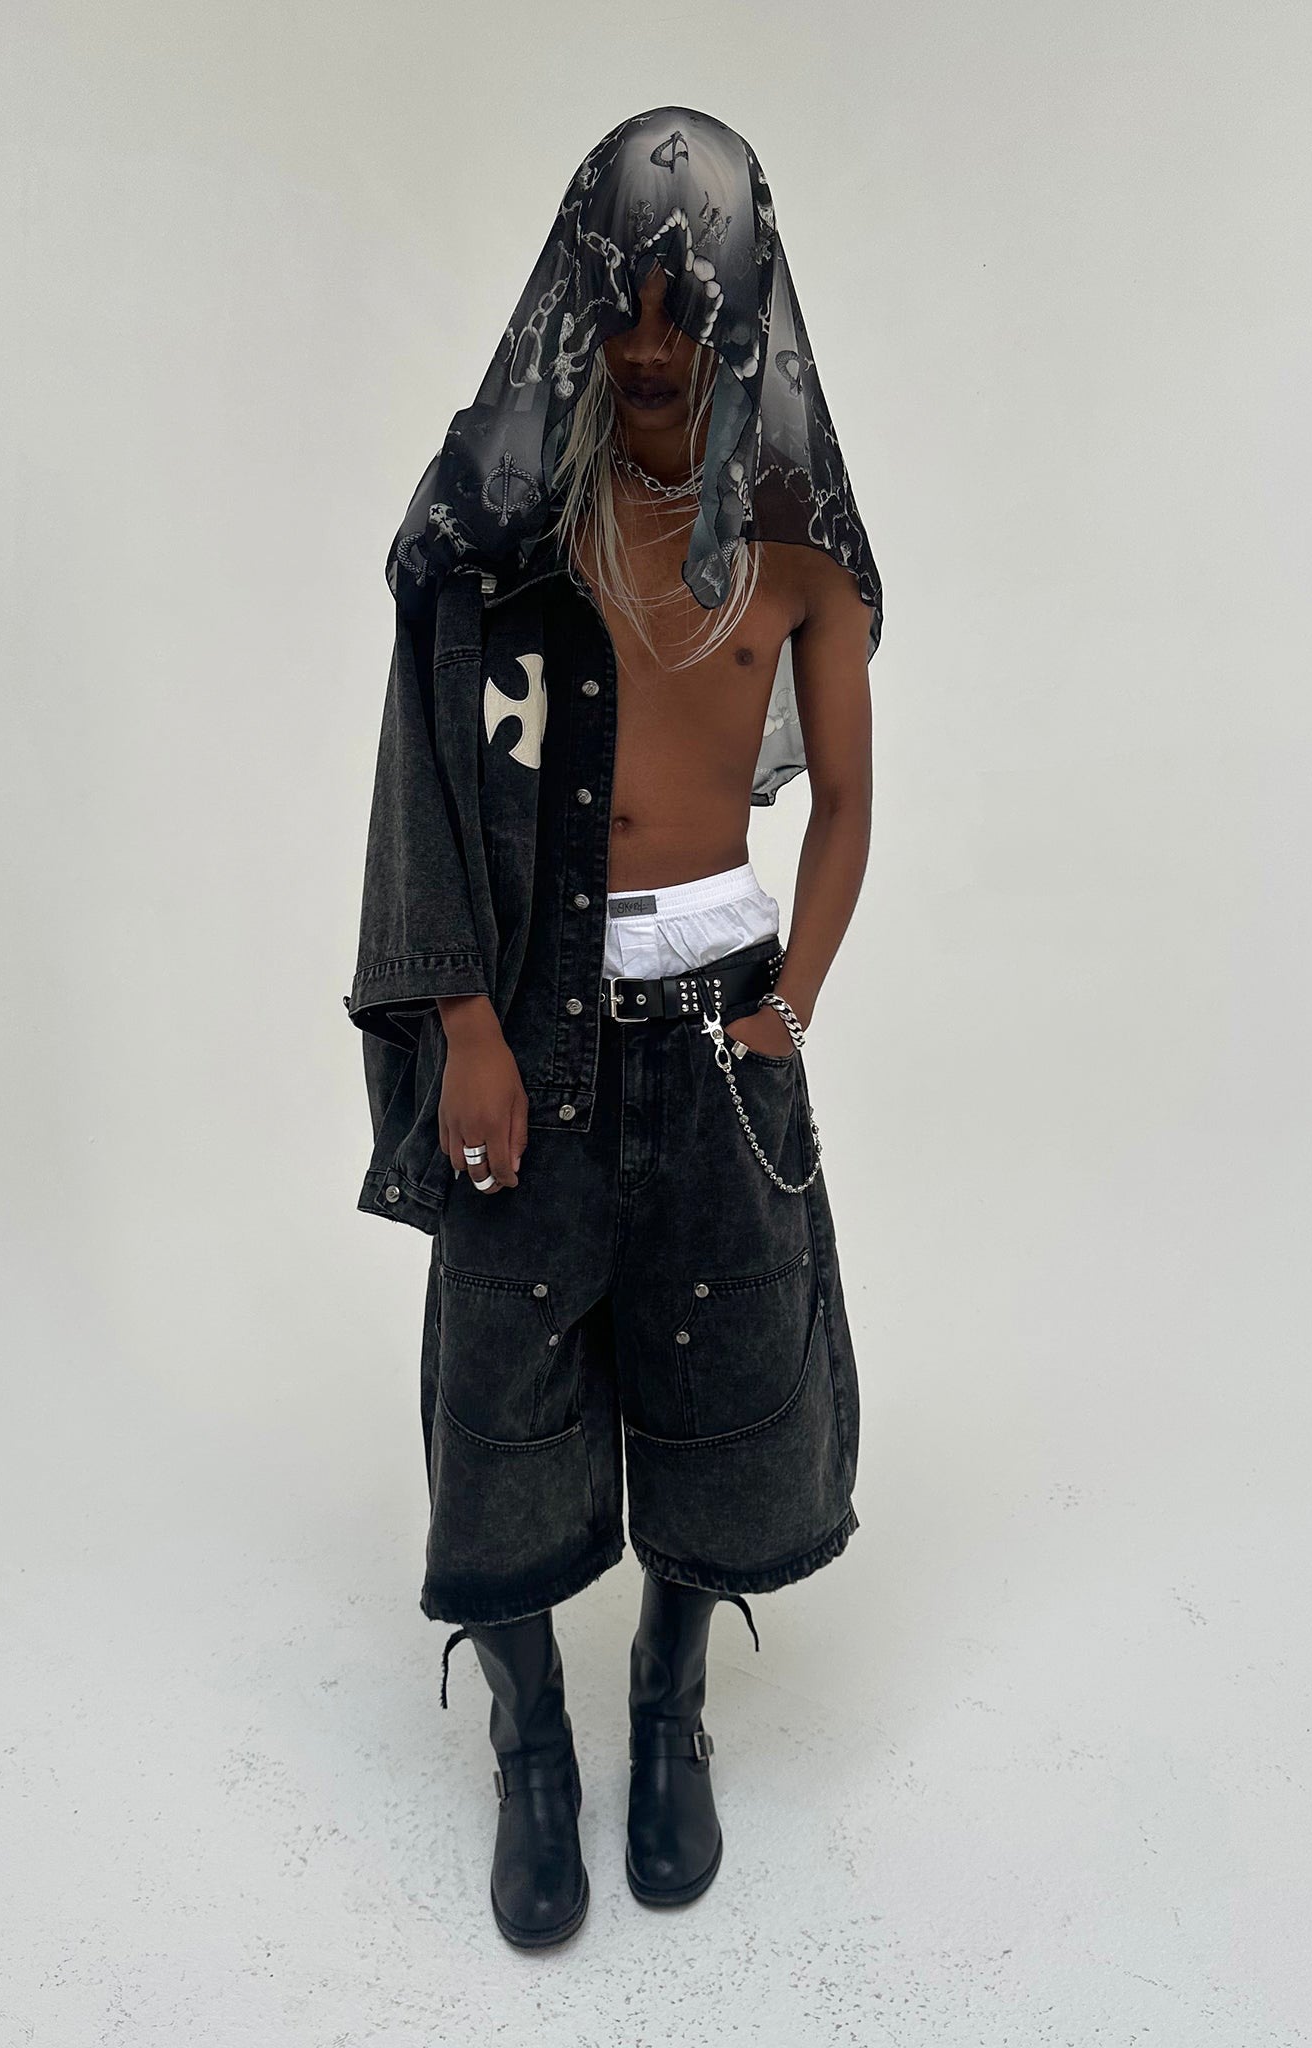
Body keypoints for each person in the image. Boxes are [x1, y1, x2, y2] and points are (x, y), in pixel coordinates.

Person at [346, 105, 883, 1947]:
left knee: (722, 1379)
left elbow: (846, 804)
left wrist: (789, 1007)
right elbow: (424, 785)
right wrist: (465, 1023)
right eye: (623, 299)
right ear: (576, 299)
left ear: (741, 312)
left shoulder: (794, 549)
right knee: (499, 1392)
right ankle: (529, 1742)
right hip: (532, 1030)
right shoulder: (499, 522)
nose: (651, 342)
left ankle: (667, 1699)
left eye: (687, 303)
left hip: (721, 1030)